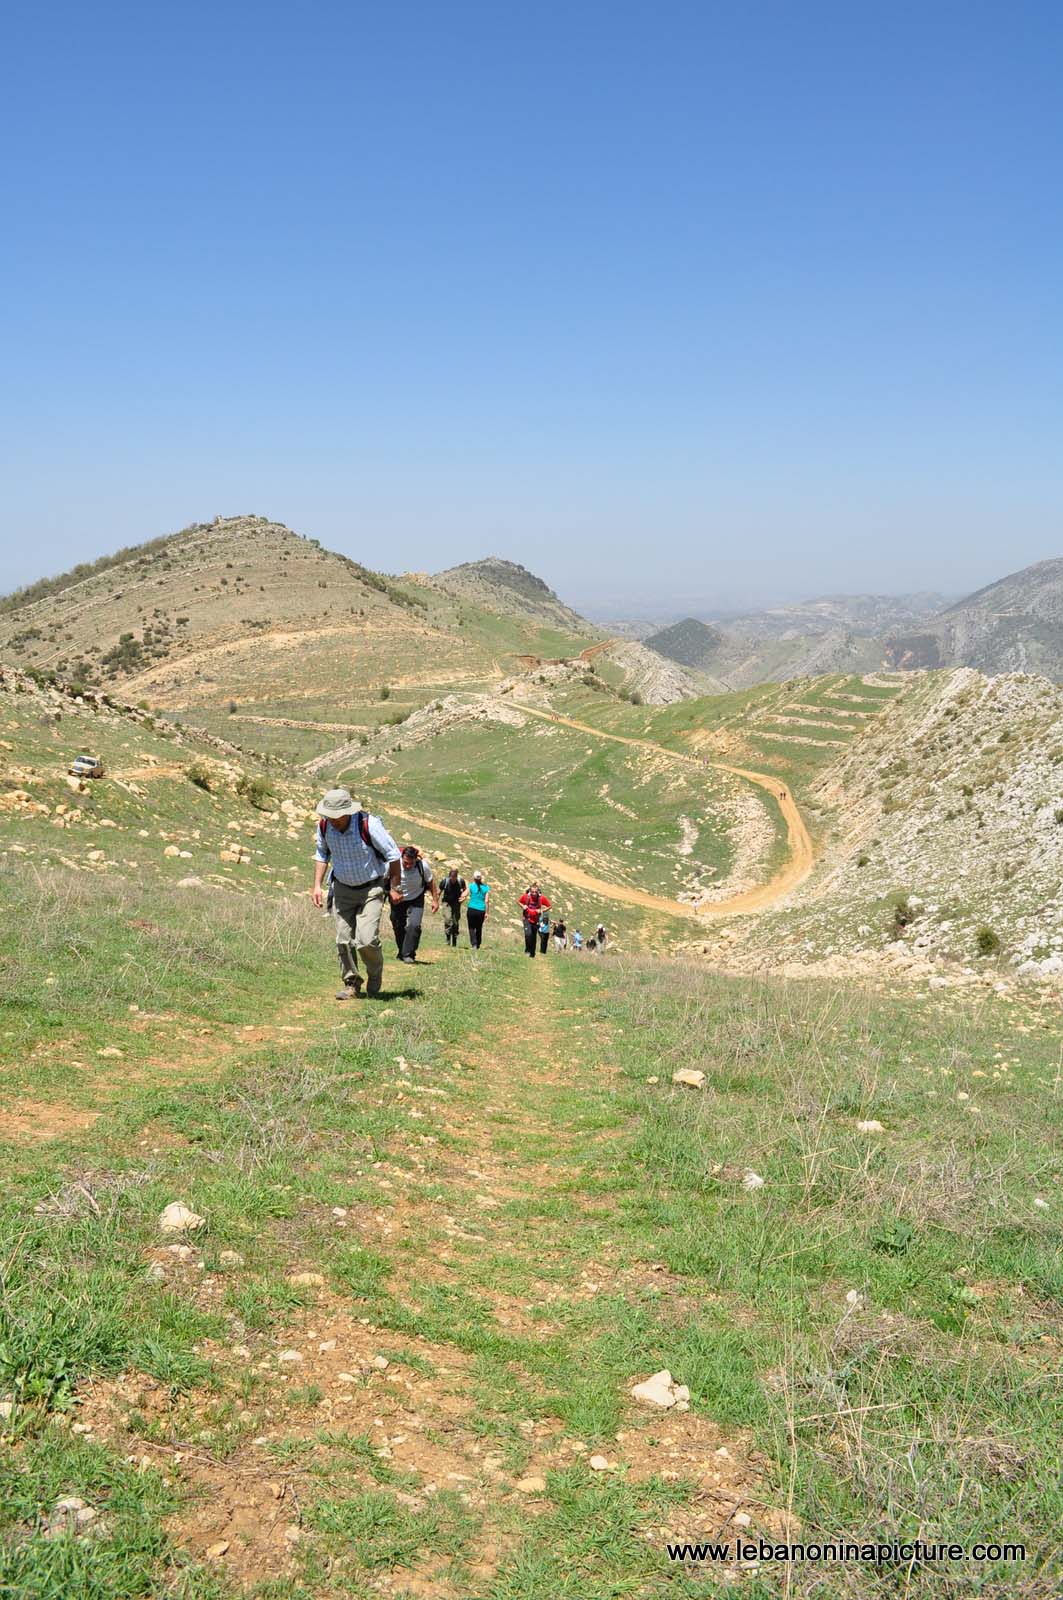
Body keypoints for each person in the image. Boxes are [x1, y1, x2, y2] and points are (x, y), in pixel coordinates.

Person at [312, 788, 400, 999]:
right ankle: (351, 983)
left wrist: (395, 887)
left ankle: (375, 974)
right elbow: (322, 853)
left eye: (336, 817)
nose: (332, 820)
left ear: (348, 812)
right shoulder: (324, 827)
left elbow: (393, 855)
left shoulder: (368, 824)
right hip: (342, 888)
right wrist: (317, 885)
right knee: (343, 939)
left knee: (366, 940)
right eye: (329, 816)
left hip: (371, 888)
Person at [390, 843, 439, 963]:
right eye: (405, 862)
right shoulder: (393, 865)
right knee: (398, 925)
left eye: (411, 863)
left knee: (414, 925)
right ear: (401, 857)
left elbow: (431, 882)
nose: (408, 865)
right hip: (398, 899)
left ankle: (408, 954)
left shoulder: (422, 866)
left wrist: (435, 900)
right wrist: (390, 893)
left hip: (416, 898)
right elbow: (384, 880)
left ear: (416, 860)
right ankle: (402, 951)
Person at [519, 883, 551, 957]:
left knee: (533, 936)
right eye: (532, 892)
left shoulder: (541, 898)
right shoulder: (526, 897)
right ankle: (527, 950)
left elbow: (549, 906)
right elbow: (519, 902)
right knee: (528, 934)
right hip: (526, 918)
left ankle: (532, 953)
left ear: (538, 891)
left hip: (536, 920)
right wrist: (523, 906)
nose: (534, 893)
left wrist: (542, 910)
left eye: (535, 892)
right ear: (530, 891)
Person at [440, 865, 467, 946]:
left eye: (455, 876)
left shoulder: (460, 881)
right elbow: (439, 891)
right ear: (450, 875)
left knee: (455, 921)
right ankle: (448, 939)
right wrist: (435, 901)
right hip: (447, 902)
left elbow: (465, 890)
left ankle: (454, 940)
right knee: (448, 919)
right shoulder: (445, 881)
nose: (453, 878)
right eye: (452, 876)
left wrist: (464, 897)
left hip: (456, 903)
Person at [466, 869, 490, 948]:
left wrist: (461, 898)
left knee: (471, 927)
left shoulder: (471, 886)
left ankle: (474, 944)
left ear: (474, 878)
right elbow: (486, 901)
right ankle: (478, 943)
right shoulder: (486, 888)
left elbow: (465, 894)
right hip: (481, 910)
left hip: (472, 909)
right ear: (481, 878)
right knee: (479, 927)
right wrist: (487, 912)